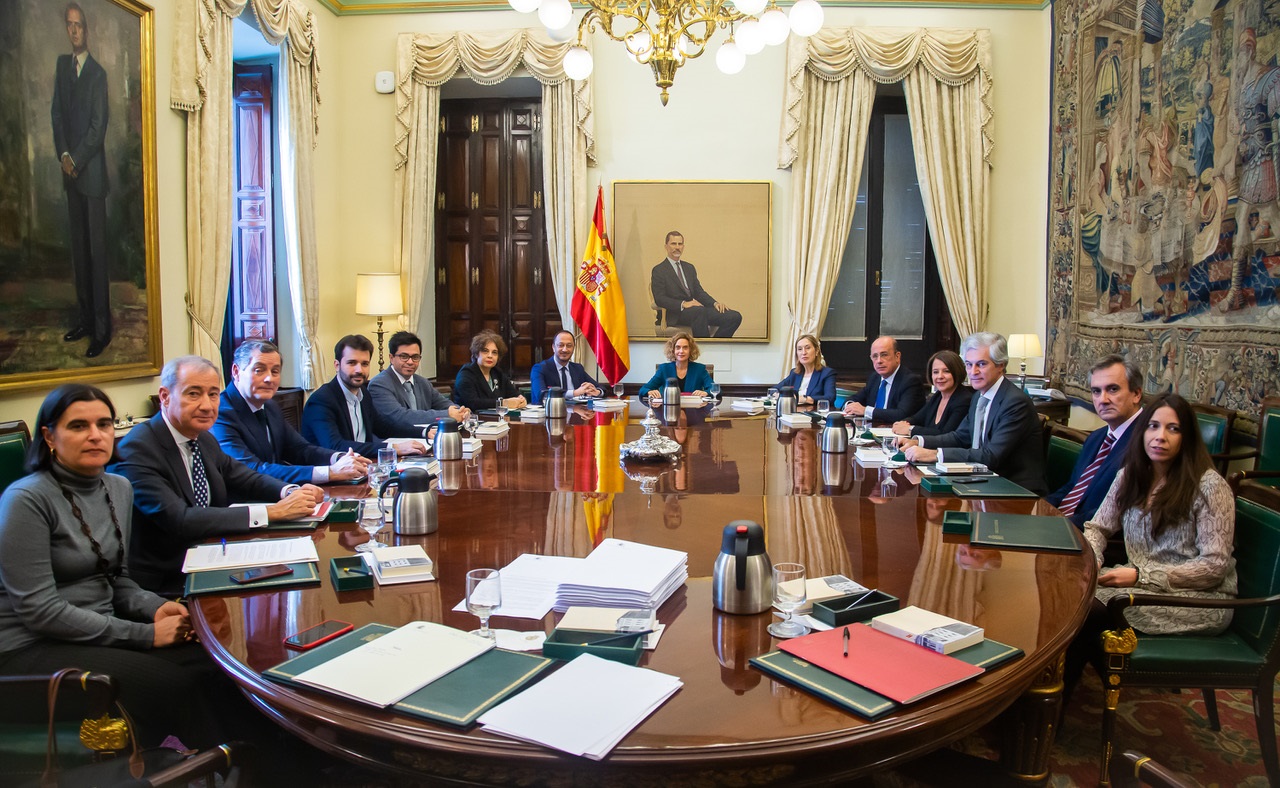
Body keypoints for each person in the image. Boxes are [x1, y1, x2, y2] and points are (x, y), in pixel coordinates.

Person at [0, 384, 247, 748]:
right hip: (28, 648)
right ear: (49, 436)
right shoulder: (25, 500)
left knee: (222, 661)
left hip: (96, 630)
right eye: (78, 426)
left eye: (104, 424)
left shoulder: (118, 487)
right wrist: (145, 634)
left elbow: (117, 578)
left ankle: (263, 759)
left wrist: (155, 606)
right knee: (174, 684)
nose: (96, 435)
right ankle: (237, 761)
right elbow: (40, 611)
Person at [1066, 394, 1237, 697]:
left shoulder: (1210, 486)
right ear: (1142, 431)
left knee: (1085, 610)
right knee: (1069, 594)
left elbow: (1215, 566)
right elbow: (1098, 527)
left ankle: (1054, 706)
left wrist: (1141, 576)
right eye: (1154, 426)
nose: (1160, 436)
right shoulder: (1130, 475)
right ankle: (1038, 694)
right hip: (1140, 588)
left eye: (1173, 429)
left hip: (1198, 600)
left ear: (1187, 437)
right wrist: (1090, 562)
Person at [113, 356, 325, 596]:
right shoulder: (137, 448)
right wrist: (273, 512)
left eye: (213, 394)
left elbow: (243, 476)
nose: (207, 405)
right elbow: (180, 519)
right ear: (165, 396)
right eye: (194, 394)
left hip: (215, 556)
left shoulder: (202, 437)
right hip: (169, 580)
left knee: (302, 579)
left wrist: (290, 491)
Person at [902, 332, 1048, 494]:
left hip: (1015, 488)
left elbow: (992, 456)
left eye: (981, 364)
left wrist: (936, 454)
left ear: (1001, 365)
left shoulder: (1015, 402)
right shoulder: (979, 395)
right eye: (969, 364)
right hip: (983, 480)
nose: (973, 372)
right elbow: (961, 436)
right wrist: (919, 441)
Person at [211, 340, 371, 485]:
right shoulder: (222, 413)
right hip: (245, 505)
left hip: (280, 491)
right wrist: (330, 472)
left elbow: (300, 449)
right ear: (236, 371)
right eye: (259, 370)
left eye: (275, 372)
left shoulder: (270, 406)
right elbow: (253, 469)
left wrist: (340, 458)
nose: (269, 379)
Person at [52, 3, 111, 358]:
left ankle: (101, 331)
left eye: (79, 26)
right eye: (69, 26)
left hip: (90, 174)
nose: (74, 31)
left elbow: (97, 126)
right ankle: (85, 320)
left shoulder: (99, 74)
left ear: (86, 30)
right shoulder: (62, 66)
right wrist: (63, 156)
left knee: (96, 255)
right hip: (70, 174)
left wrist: (77, 158)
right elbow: (56, 114)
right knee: (79, 254)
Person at [1047, 354, 1144, 529]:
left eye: (1113, 389)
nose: (1103, 400)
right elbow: (1072, 487)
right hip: (1066, 527)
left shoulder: (1147, 442)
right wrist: (1038, 509)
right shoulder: (1096, 437)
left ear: (1136, 394)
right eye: (1096, 391)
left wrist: (1057, 526)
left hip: (1100, 539)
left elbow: (1120, 511)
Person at [301, 334, 427, 459]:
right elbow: (335, 446)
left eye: (365, 364)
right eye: (352, 363)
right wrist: (393, 448)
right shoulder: (321, 400)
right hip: (331, 473)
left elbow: (383, 427)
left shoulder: (363, 393)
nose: (359, 370)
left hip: (363, 465)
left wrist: (423, 432)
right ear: (337, 365)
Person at [368, 331, 469, 437]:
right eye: (404, 356)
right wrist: (447, 415)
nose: (410, 362)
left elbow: (444, 404)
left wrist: (460, 411)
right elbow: (399, 417)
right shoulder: (379, 384)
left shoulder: (422, 382)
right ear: (391, 358)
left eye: (415, 357)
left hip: (426, 440)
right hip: (396, 444)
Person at [649, 231, 743, 339]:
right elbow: (660, 298)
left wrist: (714, 303)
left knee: (734, 316)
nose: (677, 247)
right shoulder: (659, 270)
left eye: (680, 244)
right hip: (675, 313)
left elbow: (699, 292)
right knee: (699, 311)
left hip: (696, 311)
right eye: (673, 244)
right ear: (666, 246)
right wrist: (683, 304)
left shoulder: (689, 268)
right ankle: (701, 350)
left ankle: (715, 346)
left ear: (683, 246)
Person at [842, 336, 927, 425]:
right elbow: (854, 399)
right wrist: (850, 406)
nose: (879, 361)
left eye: (884, 355)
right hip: (872, 431)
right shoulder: (875, 378)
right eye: (875, 356)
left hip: (897, 434)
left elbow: (902, 415)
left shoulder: (911, 381)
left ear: (897, 356)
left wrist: (866, 410)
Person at [891, 350, 973, 437]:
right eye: (935, 372)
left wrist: (910, 430)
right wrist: (903, 423)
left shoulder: (964, 400)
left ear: (957, 372)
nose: (940, 376)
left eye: (946, 371)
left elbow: (945, 435)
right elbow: (917, 418)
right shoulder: (937, 396)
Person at [453, 330, 528, 413]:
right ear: (477, 353)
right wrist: (502, 403)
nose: (490, 356)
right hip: (471, 421)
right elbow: (473, 403)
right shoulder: (466, 374)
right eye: (485, 351)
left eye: (494, 353)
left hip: (497, 421)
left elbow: (513, 393)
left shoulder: (497, 373)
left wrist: (520, 399)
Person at [638, 332, 715, 402]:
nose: (681, 351)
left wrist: (705, 392)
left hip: (693, 412)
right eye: (678, 347)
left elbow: (715, 390)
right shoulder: (664, 369)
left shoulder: (699, 369)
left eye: (685, 347)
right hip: (668, 411)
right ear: (673, 350)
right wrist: (649, 392)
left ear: (690, 350)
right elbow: (644, 389)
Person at [530, 331, 602, 403]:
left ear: (573, 348)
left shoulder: (577, 368)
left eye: (569, 346)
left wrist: (597, 392)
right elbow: (542, 395)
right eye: (561, 345)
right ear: (553, 347)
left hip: (576, 412)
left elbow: (601, 388)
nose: (565, 349)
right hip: (549, 413)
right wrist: (574, 393)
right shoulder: (540, 368)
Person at [777, 334, 836, 406]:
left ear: (817, 351)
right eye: (800, 349)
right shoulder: (795, 373)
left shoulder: (827, 373)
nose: (804, 352)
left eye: (807, 348)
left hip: (814, 414)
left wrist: (805, 399)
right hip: (793, 413)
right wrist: (776, 394)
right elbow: (775, 389)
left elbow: (830, 397)